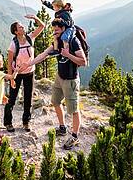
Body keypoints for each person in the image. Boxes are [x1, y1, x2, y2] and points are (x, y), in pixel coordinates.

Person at [21, 18, 87, 150]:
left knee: (73, 110)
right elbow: (44, 54)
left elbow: (83, 61)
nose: (54, 32)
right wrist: (28, 64)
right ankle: (62, 127)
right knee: (55, 101)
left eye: (57, 30)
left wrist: (68, 55)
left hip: (71, 79)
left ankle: (74, 136)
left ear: (63, 29)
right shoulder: (57, 42)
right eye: (53, 30)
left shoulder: (74, 41)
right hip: (59, 77)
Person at [4, 14, 46, 132]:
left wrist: (35, 18)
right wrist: (11, 78)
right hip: (16, 74)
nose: (23, 28)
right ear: (16, 32)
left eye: (22, 26)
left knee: (28, 98)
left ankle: (26, 122)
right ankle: (8, 122)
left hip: (30, 72)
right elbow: (9, 62)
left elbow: (42, 26)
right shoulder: (13, 44)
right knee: (12, 99)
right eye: (20, 27)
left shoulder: (30, 38)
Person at [0, 53, 18, 146]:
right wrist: (16, 70)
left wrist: (3, 96)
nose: (3, 62)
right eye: (1, 61)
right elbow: (12, 77)